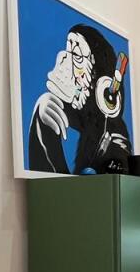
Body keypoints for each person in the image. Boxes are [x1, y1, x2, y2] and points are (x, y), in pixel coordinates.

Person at [28, 24, 132, 174]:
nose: (64, 59)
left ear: (97, 78)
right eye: (67, 51)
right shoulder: (79, 110)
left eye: (76, 55)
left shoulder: (114, 138)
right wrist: (42, 112)